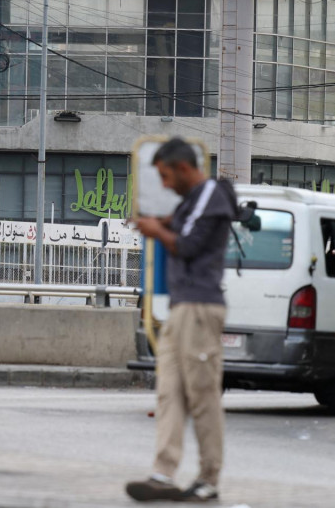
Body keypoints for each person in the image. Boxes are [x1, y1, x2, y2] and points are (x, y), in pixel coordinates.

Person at [125, 138, 238, 503]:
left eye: (165, 175)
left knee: (202, 396)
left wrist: (157, 230)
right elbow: (179, 222)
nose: (164, 184)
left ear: (184, 168)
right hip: (180, 307)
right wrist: (155, 221)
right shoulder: (193, 200)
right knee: (169, 392)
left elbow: (188, 244)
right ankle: (163, 473)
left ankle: (209, 478)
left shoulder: (210, 194)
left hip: (200, 309)